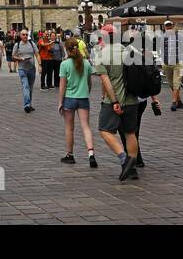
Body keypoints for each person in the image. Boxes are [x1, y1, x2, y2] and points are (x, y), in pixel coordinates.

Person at [94, 27, 142, 180]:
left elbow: (106, 82)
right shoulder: (130, 52)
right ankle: (132, 168)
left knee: (104, 130)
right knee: (130, 133)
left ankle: (124, 159)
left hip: (113, 100)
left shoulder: (101, 55)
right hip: (133, 99)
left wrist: (114, 100)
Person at [58, 37, 97, 167]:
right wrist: (86, 92)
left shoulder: (64, 64)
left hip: (69, 98)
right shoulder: (86, 63)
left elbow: (62, 86)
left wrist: (60, 102)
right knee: (86, 126)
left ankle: (70, 154)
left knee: (69, 128)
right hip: (83, 98)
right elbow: (89, 83)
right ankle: (91, 154)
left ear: (67, 49)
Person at [159, 20, 183, 111]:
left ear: (173, 26)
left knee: (176, 83)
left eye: (170, 26)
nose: (169, 27)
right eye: (167, 26)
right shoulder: (162, 37)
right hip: (166, 64)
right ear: (164, 27)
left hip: (177, 64)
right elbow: (160, 50)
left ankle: (174, 103)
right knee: (171, 84)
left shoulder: (179, 37)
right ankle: (179, 101)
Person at [12, 29, 37, 112]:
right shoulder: (17, 45)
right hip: (22, 69)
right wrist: (20, 58)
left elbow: (37, 54)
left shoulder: (32, 44)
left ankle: (29, 104)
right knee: (25, 86)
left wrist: (40, 65)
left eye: (26, 34)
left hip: (32, 69)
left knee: (30, 87)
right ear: (20, 36)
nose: (25, 36)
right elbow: (13, 56)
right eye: (23, 34)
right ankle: (26, 105)